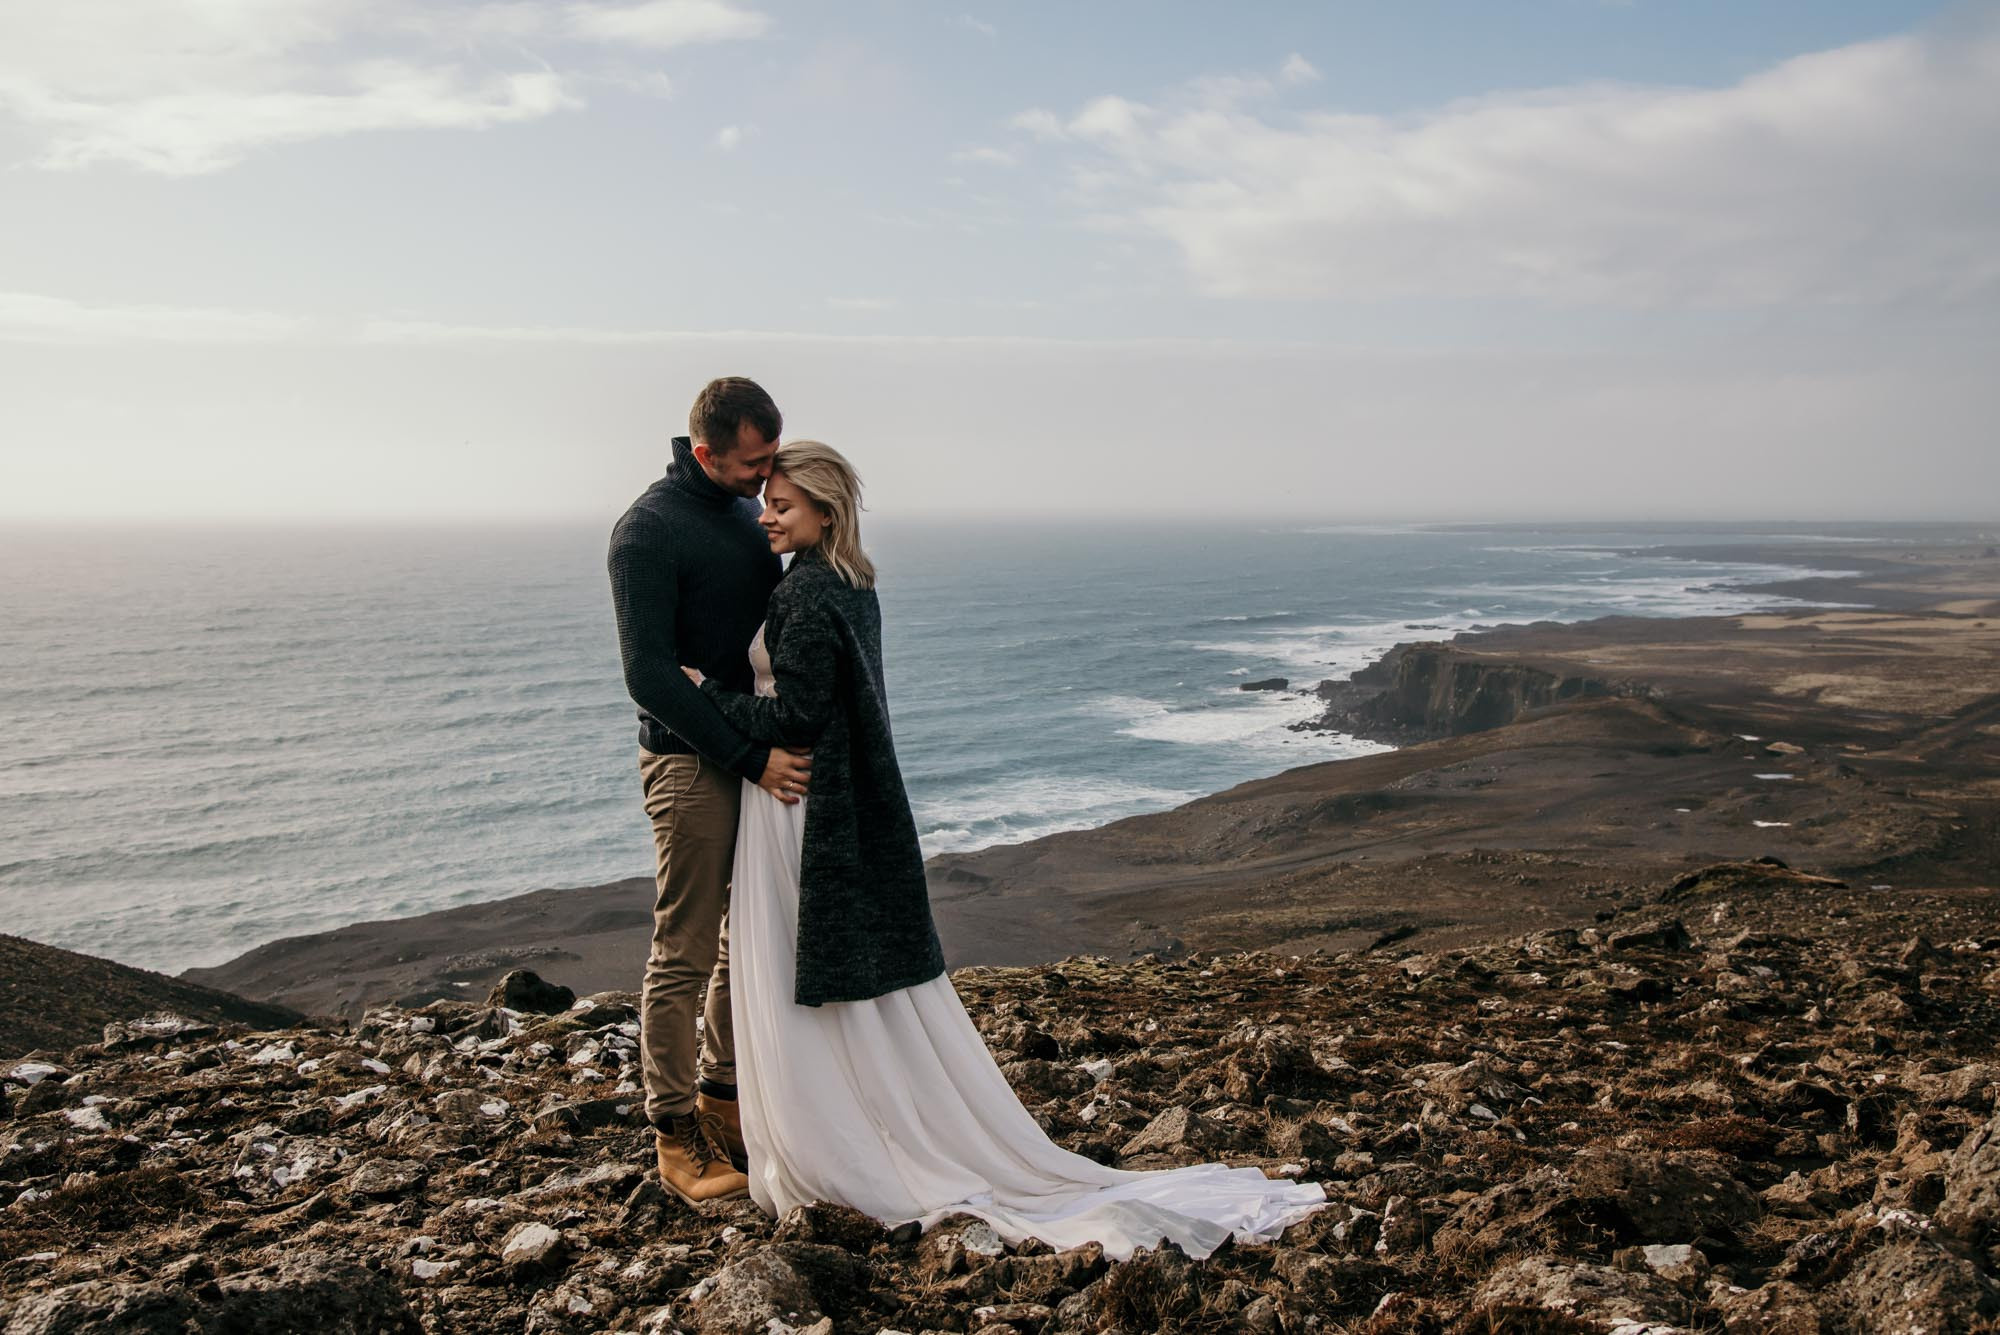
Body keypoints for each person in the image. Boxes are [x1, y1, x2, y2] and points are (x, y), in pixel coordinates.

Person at [683, 440, 1328, 1259]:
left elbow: (798, 720)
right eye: (765, 500)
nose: (765, 515)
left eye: (781, 503)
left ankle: (837, 1138)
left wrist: (717, 699)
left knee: (793, 982)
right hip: (821, 808)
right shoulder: (849, 583)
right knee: (831, 994)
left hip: (794, 808)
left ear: (825, 510)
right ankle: (858, 1117)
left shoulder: (806, 593)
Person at [606, 377, 814, 1206]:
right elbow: (648, 675)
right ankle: (672, 1132)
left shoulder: (741, 513)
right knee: (685, 948)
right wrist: (746, 752)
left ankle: (722, 1098)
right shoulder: (646, 533)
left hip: (752, 749)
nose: (767, 479)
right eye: (754, 463)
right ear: (705, 452)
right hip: (691, 760)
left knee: (745, 935)